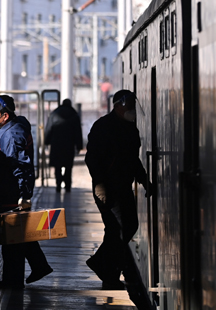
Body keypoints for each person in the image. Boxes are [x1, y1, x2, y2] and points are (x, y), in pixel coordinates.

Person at [85, 90, 154, 309]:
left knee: (128, 227)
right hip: (106, 188)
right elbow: (92, 159)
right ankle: (109, 274)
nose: (132, 110)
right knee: (119, 229)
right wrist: (100, 186)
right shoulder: (102, 126)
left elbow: (133, 159)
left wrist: (144, 180)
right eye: (129, 105)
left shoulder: (130, 129)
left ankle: (101, 264)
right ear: (118, 105)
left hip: (123, 186)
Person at [0, 94, 53, 290]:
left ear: (5, 116)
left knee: (11, 239)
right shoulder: (11, 127)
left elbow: (20, 165)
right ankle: (39, 266)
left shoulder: (11, 136)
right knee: (19, 233)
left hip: (12, 190)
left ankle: (13, 281)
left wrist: (23, 194)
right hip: (11, 189)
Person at [44, 99, 83, 191]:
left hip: (56, 144)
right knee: (68, 166)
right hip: (69, 145)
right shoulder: (74, 115)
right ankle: (67, 185)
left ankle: (58, 184)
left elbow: (49, 129)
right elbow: (78, 132)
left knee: (57, 165)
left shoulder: (54, 114)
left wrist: (46, 142)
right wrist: (79, 146)